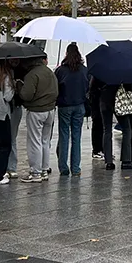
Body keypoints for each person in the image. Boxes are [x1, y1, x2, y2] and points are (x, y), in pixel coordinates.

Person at [16, 56, 58, 183]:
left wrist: (19, 86)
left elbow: (26, 95)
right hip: (50, 110)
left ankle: (35, 172)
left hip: (36, 111)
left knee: (34, 141)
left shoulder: (32, 75)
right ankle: (45, 169)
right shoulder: (49, 72)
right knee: (45, 141)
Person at [55, 44, 89, 177]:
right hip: (79, 105)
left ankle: (63, 167)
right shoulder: (84, 70)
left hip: (64, 105)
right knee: (76, 137)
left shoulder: (61, 71)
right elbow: (87, 88)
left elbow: (56, 87)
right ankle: (76, 168)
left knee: (64, 136)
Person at [88, 75, 105, 160]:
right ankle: (97, 150)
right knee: (98, 126)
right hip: (97, 104)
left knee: (100, 127)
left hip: (97, 104)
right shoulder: (96, 77)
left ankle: (100, 149)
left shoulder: (94, 75)